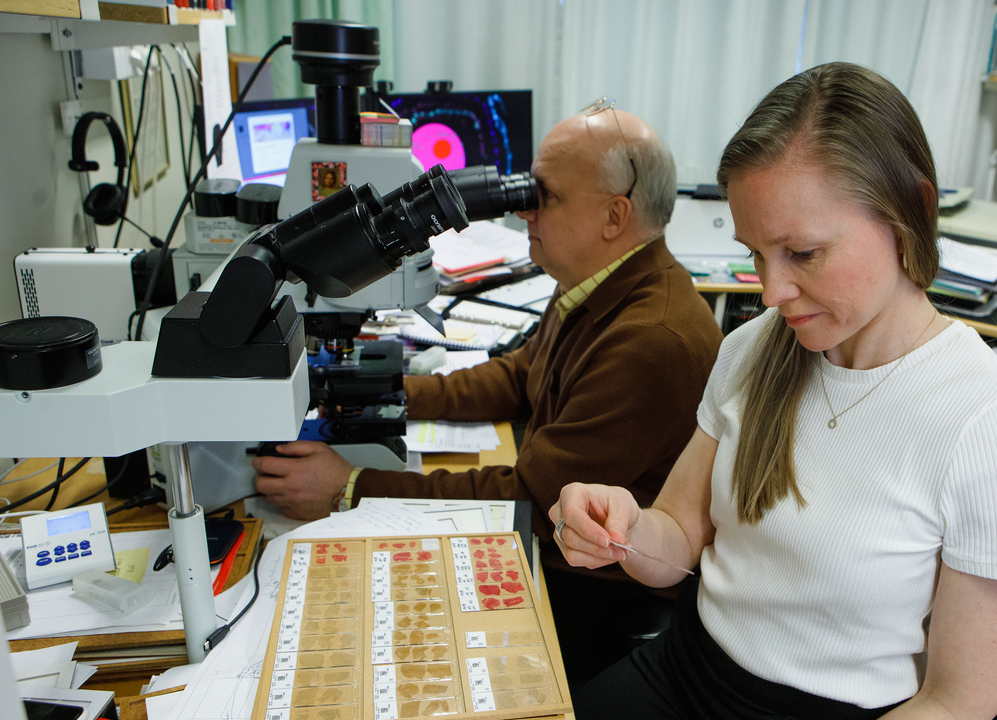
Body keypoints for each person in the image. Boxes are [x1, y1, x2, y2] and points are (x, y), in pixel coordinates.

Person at [551, 63, 997, 720]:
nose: (771, 293)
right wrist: (621, 528)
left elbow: (958, 703)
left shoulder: (991, 427)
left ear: (912, 211)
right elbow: (680, 533)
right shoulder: (755, 348)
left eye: (802, 253)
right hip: (682, 670)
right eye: (757, 254)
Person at [253, 104, 724, 680]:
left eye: (543, 195)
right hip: (552, 540)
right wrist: (392, 390)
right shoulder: (599, 282)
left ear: (614, 215)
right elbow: (519, 376)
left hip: (591, 592)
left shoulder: (652, 339)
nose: (524, 208)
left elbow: (525, 499)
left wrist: (349, 488)